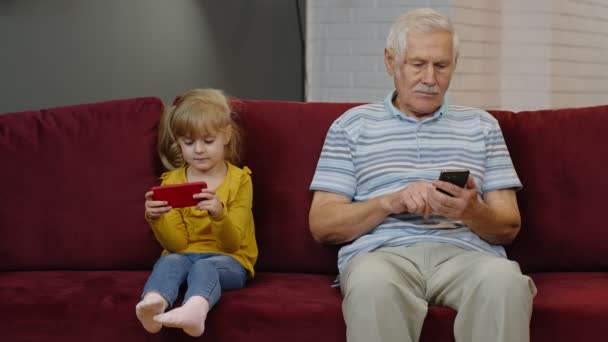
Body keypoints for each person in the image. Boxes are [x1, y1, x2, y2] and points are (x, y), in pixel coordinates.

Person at [308, 8, 537, 342]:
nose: (430, 79)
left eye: (441, 66)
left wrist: (471, 210)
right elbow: (322, 224)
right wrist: (391, 201)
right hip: (381, 256)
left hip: (467, 255)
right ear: (391, 62)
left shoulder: (482, 126)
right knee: (373, 284)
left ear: (453, 66)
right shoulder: (351, 126)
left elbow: (509, 226)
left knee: (506, 281)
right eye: (418, 64)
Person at [136, 88, 257, 337]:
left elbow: (232, 243)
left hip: (231, 261)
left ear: (226, 136)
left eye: (207, 141)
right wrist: (157, 218)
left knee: (205, 267)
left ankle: (195, 309)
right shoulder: (171, 181)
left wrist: (218, 214)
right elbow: (177, 244)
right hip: (185, 255)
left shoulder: (240, 180)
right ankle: (154, 302)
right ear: (179, 142)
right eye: (189, 143)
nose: (198, 150)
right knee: (169, 260)